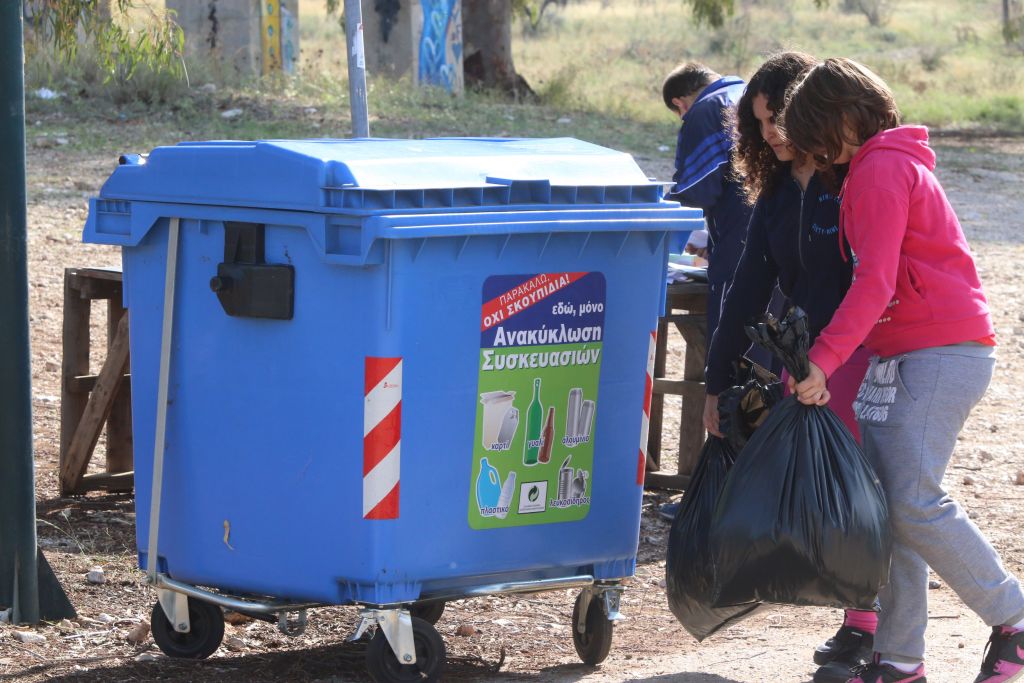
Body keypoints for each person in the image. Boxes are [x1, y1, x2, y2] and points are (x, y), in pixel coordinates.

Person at [784, 57, 1024, 683]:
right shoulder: (877, 167)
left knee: (913, 503)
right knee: (890, 507)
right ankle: (899, 660)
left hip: (939, 353)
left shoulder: (882, 170)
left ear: (842, 116)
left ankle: (1015, 619)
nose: (815, 151)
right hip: (911, 353)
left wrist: (825, 361)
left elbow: (875, 282)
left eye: (815, 132)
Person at [700, 51, 874, 683]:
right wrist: (715, 382)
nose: (771, 132)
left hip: (857, 354)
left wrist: (833, 354)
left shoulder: (850, 178)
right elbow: (748, 285)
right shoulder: (774, 193)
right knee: (820, 493)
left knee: (857, 487)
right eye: (760, 122)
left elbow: (871, 277)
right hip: (802, 360)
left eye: (778, 118)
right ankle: (856, 609)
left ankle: (866, 624)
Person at [661, 62, 750, 339]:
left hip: (737, 234)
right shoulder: (749, 93)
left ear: (680, 104)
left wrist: (660, 223)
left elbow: (697, 189)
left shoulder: (706, 109)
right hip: (771, 229)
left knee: (730, 332)